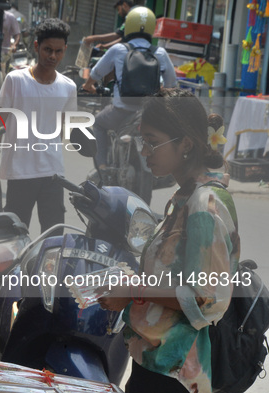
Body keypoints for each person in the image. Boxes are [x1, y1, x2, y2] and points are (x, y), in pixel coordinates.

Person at [98, 88, 240, 393]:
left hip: (175, 374)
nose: (144, 152)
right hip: (155, 361)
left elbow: (207, 297)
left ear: (185, 143)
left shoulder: (206, 204)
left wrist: (134, 290)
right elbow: (173, 276)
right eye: (142, 141)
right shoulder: (183, 196)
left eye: (152, 142)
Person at [0, 18, 77, 233]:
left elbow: (63, 129)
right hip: (20, 174)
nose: (52, 56)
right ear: (37, 47)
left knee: (54, 236)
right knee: (14, 236)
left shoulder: (69, 87)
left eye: (58, 51)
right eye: (48, 50)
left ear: (65, 51)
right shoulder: (15, 80)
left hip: (53, 175)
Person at [82, 6, 176, 171]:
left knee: (97, 124)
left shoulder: (119, 49)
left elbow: (97, 72)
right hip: (149, 113)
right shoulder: (160, 52)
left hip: (120, 111)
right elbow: (172, 84)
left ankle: (102, 166)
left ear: (129, 26)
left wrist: (88, 85)